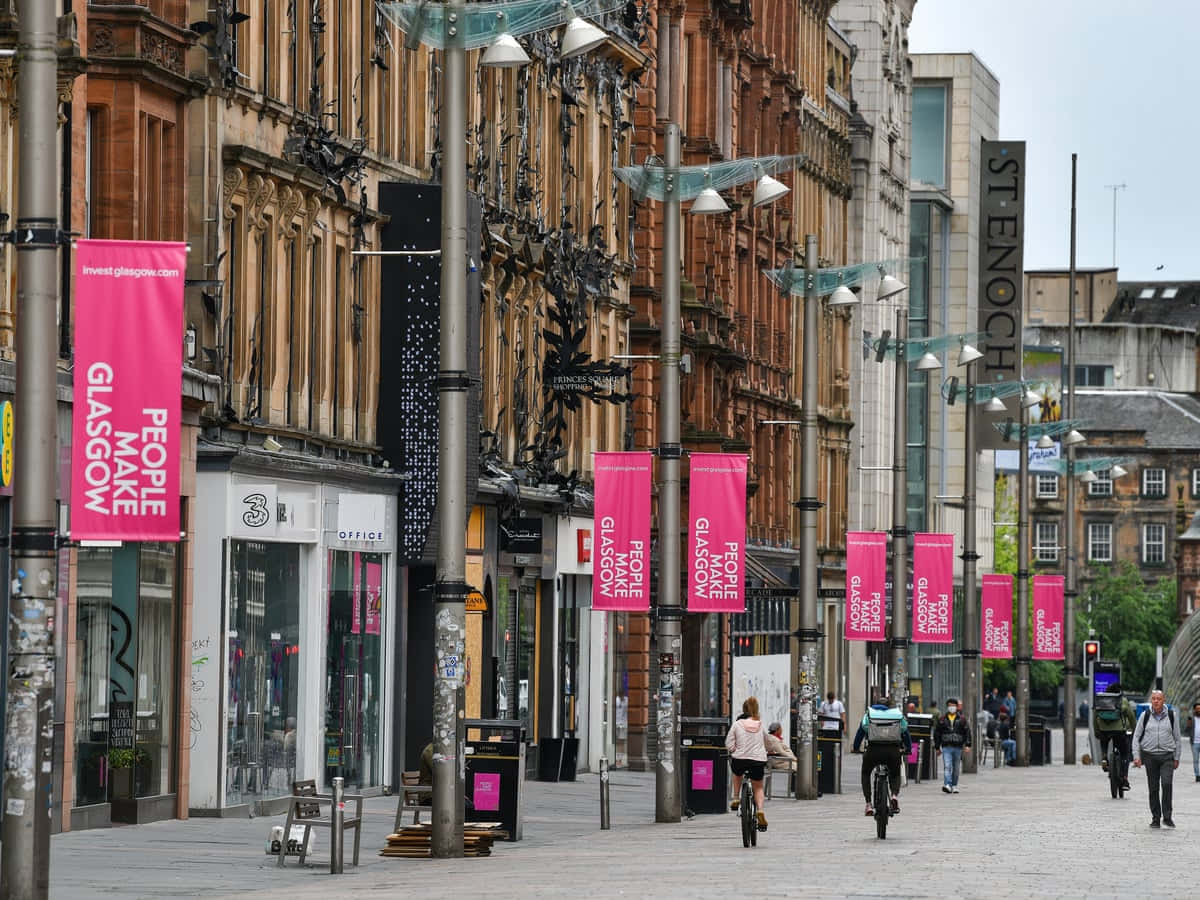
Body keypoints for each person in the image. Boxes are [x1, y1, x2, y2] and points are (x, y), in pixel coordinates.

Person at [852, 698, 911, 817]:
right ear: (889, 706)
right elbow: (905, 733)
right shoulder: (896, 715)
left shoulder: (869, 715)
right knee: (895, 773)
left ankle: (868, 804)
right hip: (892, 751)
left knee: (866, 773)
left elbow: (860, 732)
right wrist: (908, 749)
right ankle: (894, 795)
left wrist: (856, 748)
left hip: (873, 750)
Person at [1133, 689, 1181, 828]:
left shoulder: (1172, 715)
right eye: (1153, 698)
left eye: (1158, 699)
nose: (1155, 701)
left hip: (1167, 756)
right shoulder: (1145, 715)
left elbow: (1177, 739)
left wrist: (1176, 757)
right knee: (1153, 788)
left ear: (1163, 700)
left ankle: (1167, 817)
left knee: (1166, 784)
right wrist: (1137, 756)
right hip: (1150, 757)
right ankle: (1155, 817)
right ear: (1151, 700)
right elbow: (1136, 737)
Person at [726, 695, 769, 829]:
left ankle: (736, 798)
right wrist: (767, 750)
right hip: (757, 761)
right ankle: (760, 810)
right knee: (758, 787)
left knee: (737, 772)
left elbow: (728, 743)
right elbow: (767, 742)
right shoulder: (760, 725)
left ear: (744, 710)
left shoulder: (737, 724)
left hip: (740, 759)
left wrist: (733, 750)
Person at [1093, 682, 1135, 790]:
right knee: (1125, 753)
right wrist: (1134, 730)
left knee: (1104, 739)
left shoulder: (1100, 700)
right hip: (1119, 731)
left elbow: (1095, 718)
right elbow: (1131, 717)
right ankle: (1124, 779)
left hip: (1103, 730)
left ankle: (1104, 757)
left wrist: (1097, 731)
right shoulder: (1123, 700)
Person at [933, 697, 971, 793]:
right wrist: (937, 747)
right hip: (946, 746)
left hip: (958, 747)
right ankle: (947, 784)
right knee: (947, 766)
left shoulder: (962, 719)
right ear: (947, 707)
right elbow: (937, 733)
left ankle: (954, 785)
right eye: (950, 706)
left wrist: (968, 745)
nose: (951, 707)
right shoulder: (942, 719)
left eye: (953, 706)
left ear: (957, 707)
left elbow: (967, 732)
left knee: (956, 767)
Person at [1186, 702, 1200, 783]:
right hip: (1194, 743)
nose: (1199, 710)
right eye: (1197, 709)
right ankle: (1197, 775)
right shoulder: (1191, 718)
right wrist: (1188, 724)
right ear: (1194, 710)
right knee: (1195, 760)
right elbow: (1186, 731)